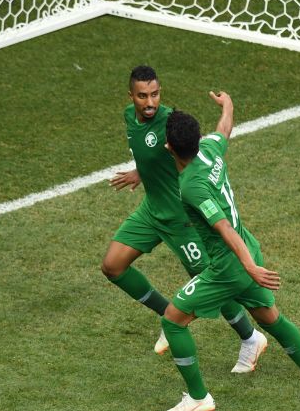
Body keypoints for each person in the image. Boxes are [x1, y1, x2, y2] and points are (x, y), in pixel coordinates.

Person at [157, 90, 300, 411]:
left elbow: (223, 227)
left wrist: (249, 267)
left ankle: (198, 397)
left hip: (230, 265)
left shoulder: (191, 187)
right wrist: (228, 104)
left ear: (170, 148)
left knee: (173, 320)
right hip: (246, 247)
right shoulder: (211, 150)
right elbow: (224, 128)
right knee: (271, 319)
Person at [100, 66, 268, 374]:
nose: (150, 102)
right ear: (131, 96)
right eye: (142, 96)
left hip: (182, 220)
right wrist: (142, 171)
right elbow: (149, 152)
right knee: (112, 266)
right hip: (152, 211)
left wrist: (227, 109)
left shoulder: (168, 122)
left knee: (214, 280)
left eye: (155, 94)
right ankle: (168, 314)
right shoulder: (129, 117)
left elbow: (192, 151)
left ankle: (250, 337)